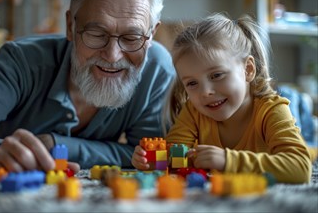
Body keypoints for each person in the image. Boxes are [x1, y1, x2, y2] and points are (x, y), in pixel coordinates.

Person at [0, 0, 175, 176]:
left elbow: (145, 157)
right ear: (70, 26)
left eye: (131, 37)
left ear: (151, 34)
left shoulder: (157, 70)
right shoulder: (21, 61)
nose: (112, 55)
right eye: (96, 34)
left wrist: (57, 145)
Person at [131, 13, 312, 184]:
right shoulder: (194, 111)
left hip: (287, 104)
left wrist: (228, 160)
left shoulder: (272, 110)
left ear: (248, 69)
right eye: (192, 83)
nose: (205, 92)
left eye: (217, 75)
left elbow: (301, 169)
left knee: (308, 142)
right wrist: (153, 161)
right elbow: (176, 158)